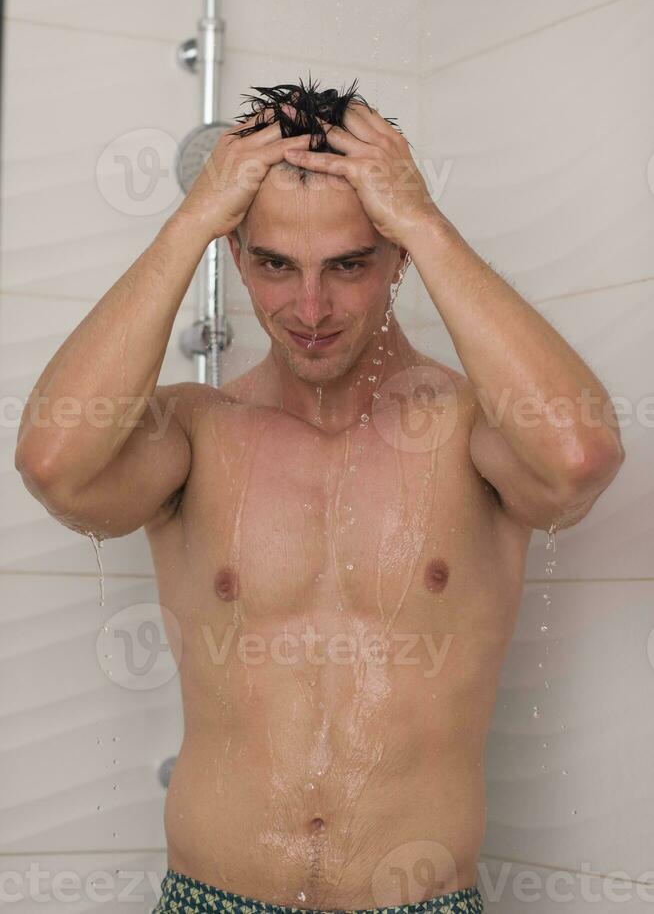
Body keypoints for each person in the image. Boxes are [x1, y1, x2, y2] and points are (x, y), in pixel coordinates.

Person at [14, 77, 625, 914]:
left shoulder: (470, 434)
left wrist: (423, 218)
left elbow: (580, 455)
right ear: (235, 255)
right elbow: (54, 466)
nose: (309, 309)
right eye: (273, 264)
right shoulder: (197, 434)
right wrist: (193, 221)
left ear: (399, 255)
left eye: (348, 264)